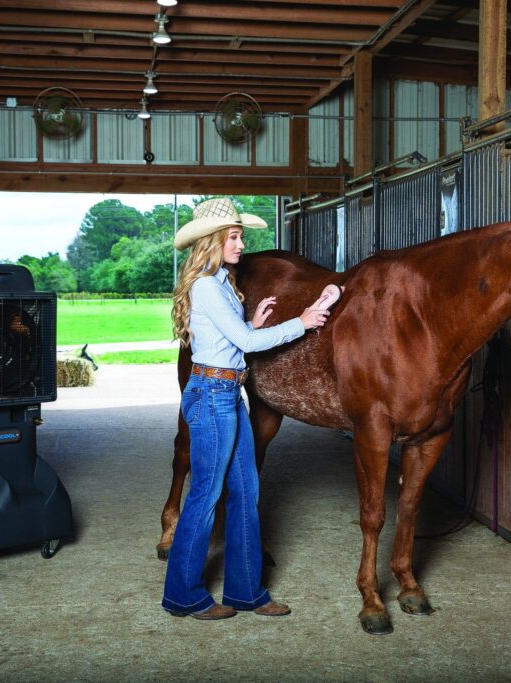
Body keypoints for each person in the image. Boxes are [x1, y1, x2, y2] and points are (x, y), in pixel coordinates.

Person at [162, 197, 329, 621]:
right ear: (213, 241)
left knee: (247, 492)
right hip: (212, 395)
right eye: (234, 237)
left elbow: (230, 339)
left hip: (228, 394)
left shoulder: (221, 284)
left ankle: (246, 591)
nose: (240, 245)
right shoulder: (204, 285)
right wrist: (303, 321)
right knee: (205, 494)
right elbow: (249, 346)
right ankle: (183, 595)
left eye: (239, 236)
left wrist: (251, 321)